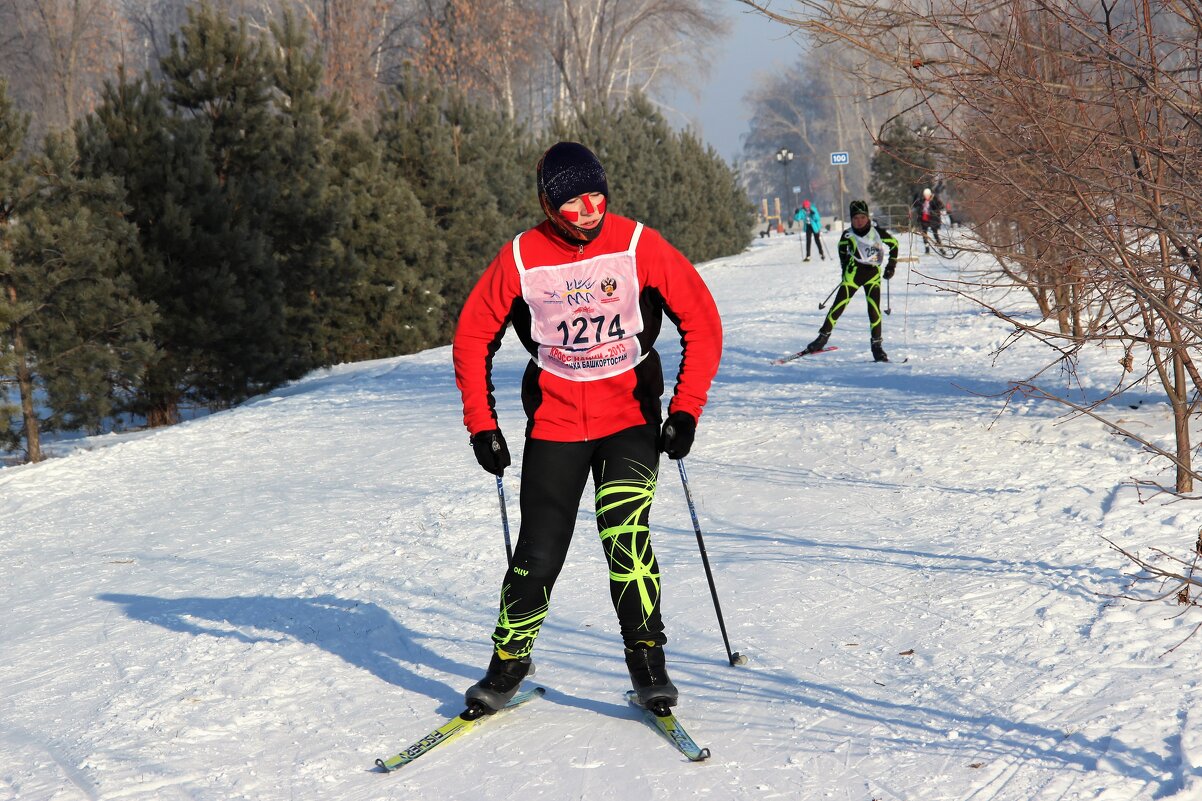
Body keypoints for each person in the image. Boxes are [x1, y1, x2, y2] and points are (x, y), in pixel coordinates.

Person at [452, 141, 724, 714]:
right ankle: (509, 664)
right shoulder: (522, 257)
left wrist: (685, 410)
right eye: (572, 202)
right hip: (554, 422)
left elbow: (701, 319)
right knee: (539, 552)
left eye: (596, 196)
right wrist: (483, 425)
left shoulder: (635, 244)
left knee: (625, 537)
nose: (588, 212)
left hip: (628, 417)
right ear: (548, 206)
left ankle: (648, 663)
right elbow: (472, 337)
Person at [801, 200, 899, 362]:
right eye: (855, 218)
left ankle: (877, 347)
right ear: (851, 219)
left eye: (862, 217)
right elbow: (842, 251)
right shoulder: (847, 234)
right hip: (853, 275)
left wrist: (891, 266)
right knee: (838, 306)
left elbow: (894, 244)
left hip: (873, 276)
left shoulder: (877, 232)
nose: (859, 221)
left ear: (867, 217)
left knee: (874, 310)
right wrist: (845, 268)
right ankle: (822, 338)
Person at [911, 187, 945, 253]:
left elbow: (941, 206)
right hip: (924, 219)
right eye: (925, 195)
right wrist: (915, 196)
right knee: (924, 234)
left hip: (933, 220)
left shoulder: (935, 199)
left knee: (935, 234)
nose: (926, 197)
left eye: (927, 195)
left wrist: (935, 209)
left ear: (930, 194)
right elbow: (915, 205)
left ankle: (941, 249)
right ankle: (927, 248)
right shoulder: (922, 200)